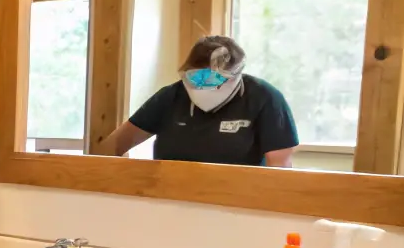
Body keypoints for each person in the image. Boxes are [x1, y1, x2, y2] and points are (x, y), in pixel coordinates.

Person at [98, 35, 298, 167]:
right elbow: (110, 148)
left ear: (235, 75)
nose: (203, 85)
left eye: (213, 78)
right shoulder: (170, 97)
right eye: (196, 77)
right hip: (170, 198)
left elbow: (280, 170)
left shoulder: (265, 99)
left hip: (240, 202)